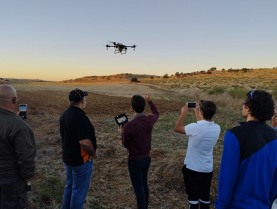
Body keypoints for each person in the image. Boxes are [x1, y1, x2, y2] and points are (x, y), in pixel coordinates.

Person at [215, 90, 277, 209]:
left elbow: (227, 177)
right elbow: (275, 178)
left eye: (245, 103)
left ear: (249, 108)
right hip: (264, 205)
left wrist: (221, 205)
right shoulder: (274, 136)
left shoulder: (235, 135)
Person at [174, 100, 220, 209]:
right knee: (205, 198)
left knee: (193, 200)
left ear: (202, 112)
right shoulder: (217, 128)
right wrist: (197, 111)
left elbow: (177, 128)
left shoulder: (194, 128)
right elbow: (203, 125)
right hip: (207, 170)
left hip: (192, 170)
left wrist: (183, 113)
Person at [118, 93, 159, 209]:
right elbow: (156, 114)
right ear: (144, 107)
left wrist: (122, 134)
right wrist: (150, 101)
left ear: (132, 107)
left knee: (138, 188)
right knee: (144, 183)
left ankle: (143, 206)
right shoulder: (149, 120)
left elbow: (126, 144)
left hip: (134, 161)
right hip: (146, 158)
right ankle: (145, 204)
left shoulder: (129, 126)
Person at [59, 88, 97, 209]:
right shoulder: (80, 117)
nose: (85, 100)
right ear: (82, 100)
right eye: (84, 97)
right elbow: (85, 142)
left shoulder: (64, 114)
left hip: (68, 157)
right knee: (79, 193)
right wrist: (93, 153)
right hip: (81, 161)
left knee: (69, 187)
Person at [0, 84, 36, 209]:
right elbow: (26, 159)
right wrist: (27, 178)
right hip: (10, 184)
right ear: (14, 100)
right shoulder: (19, 126)